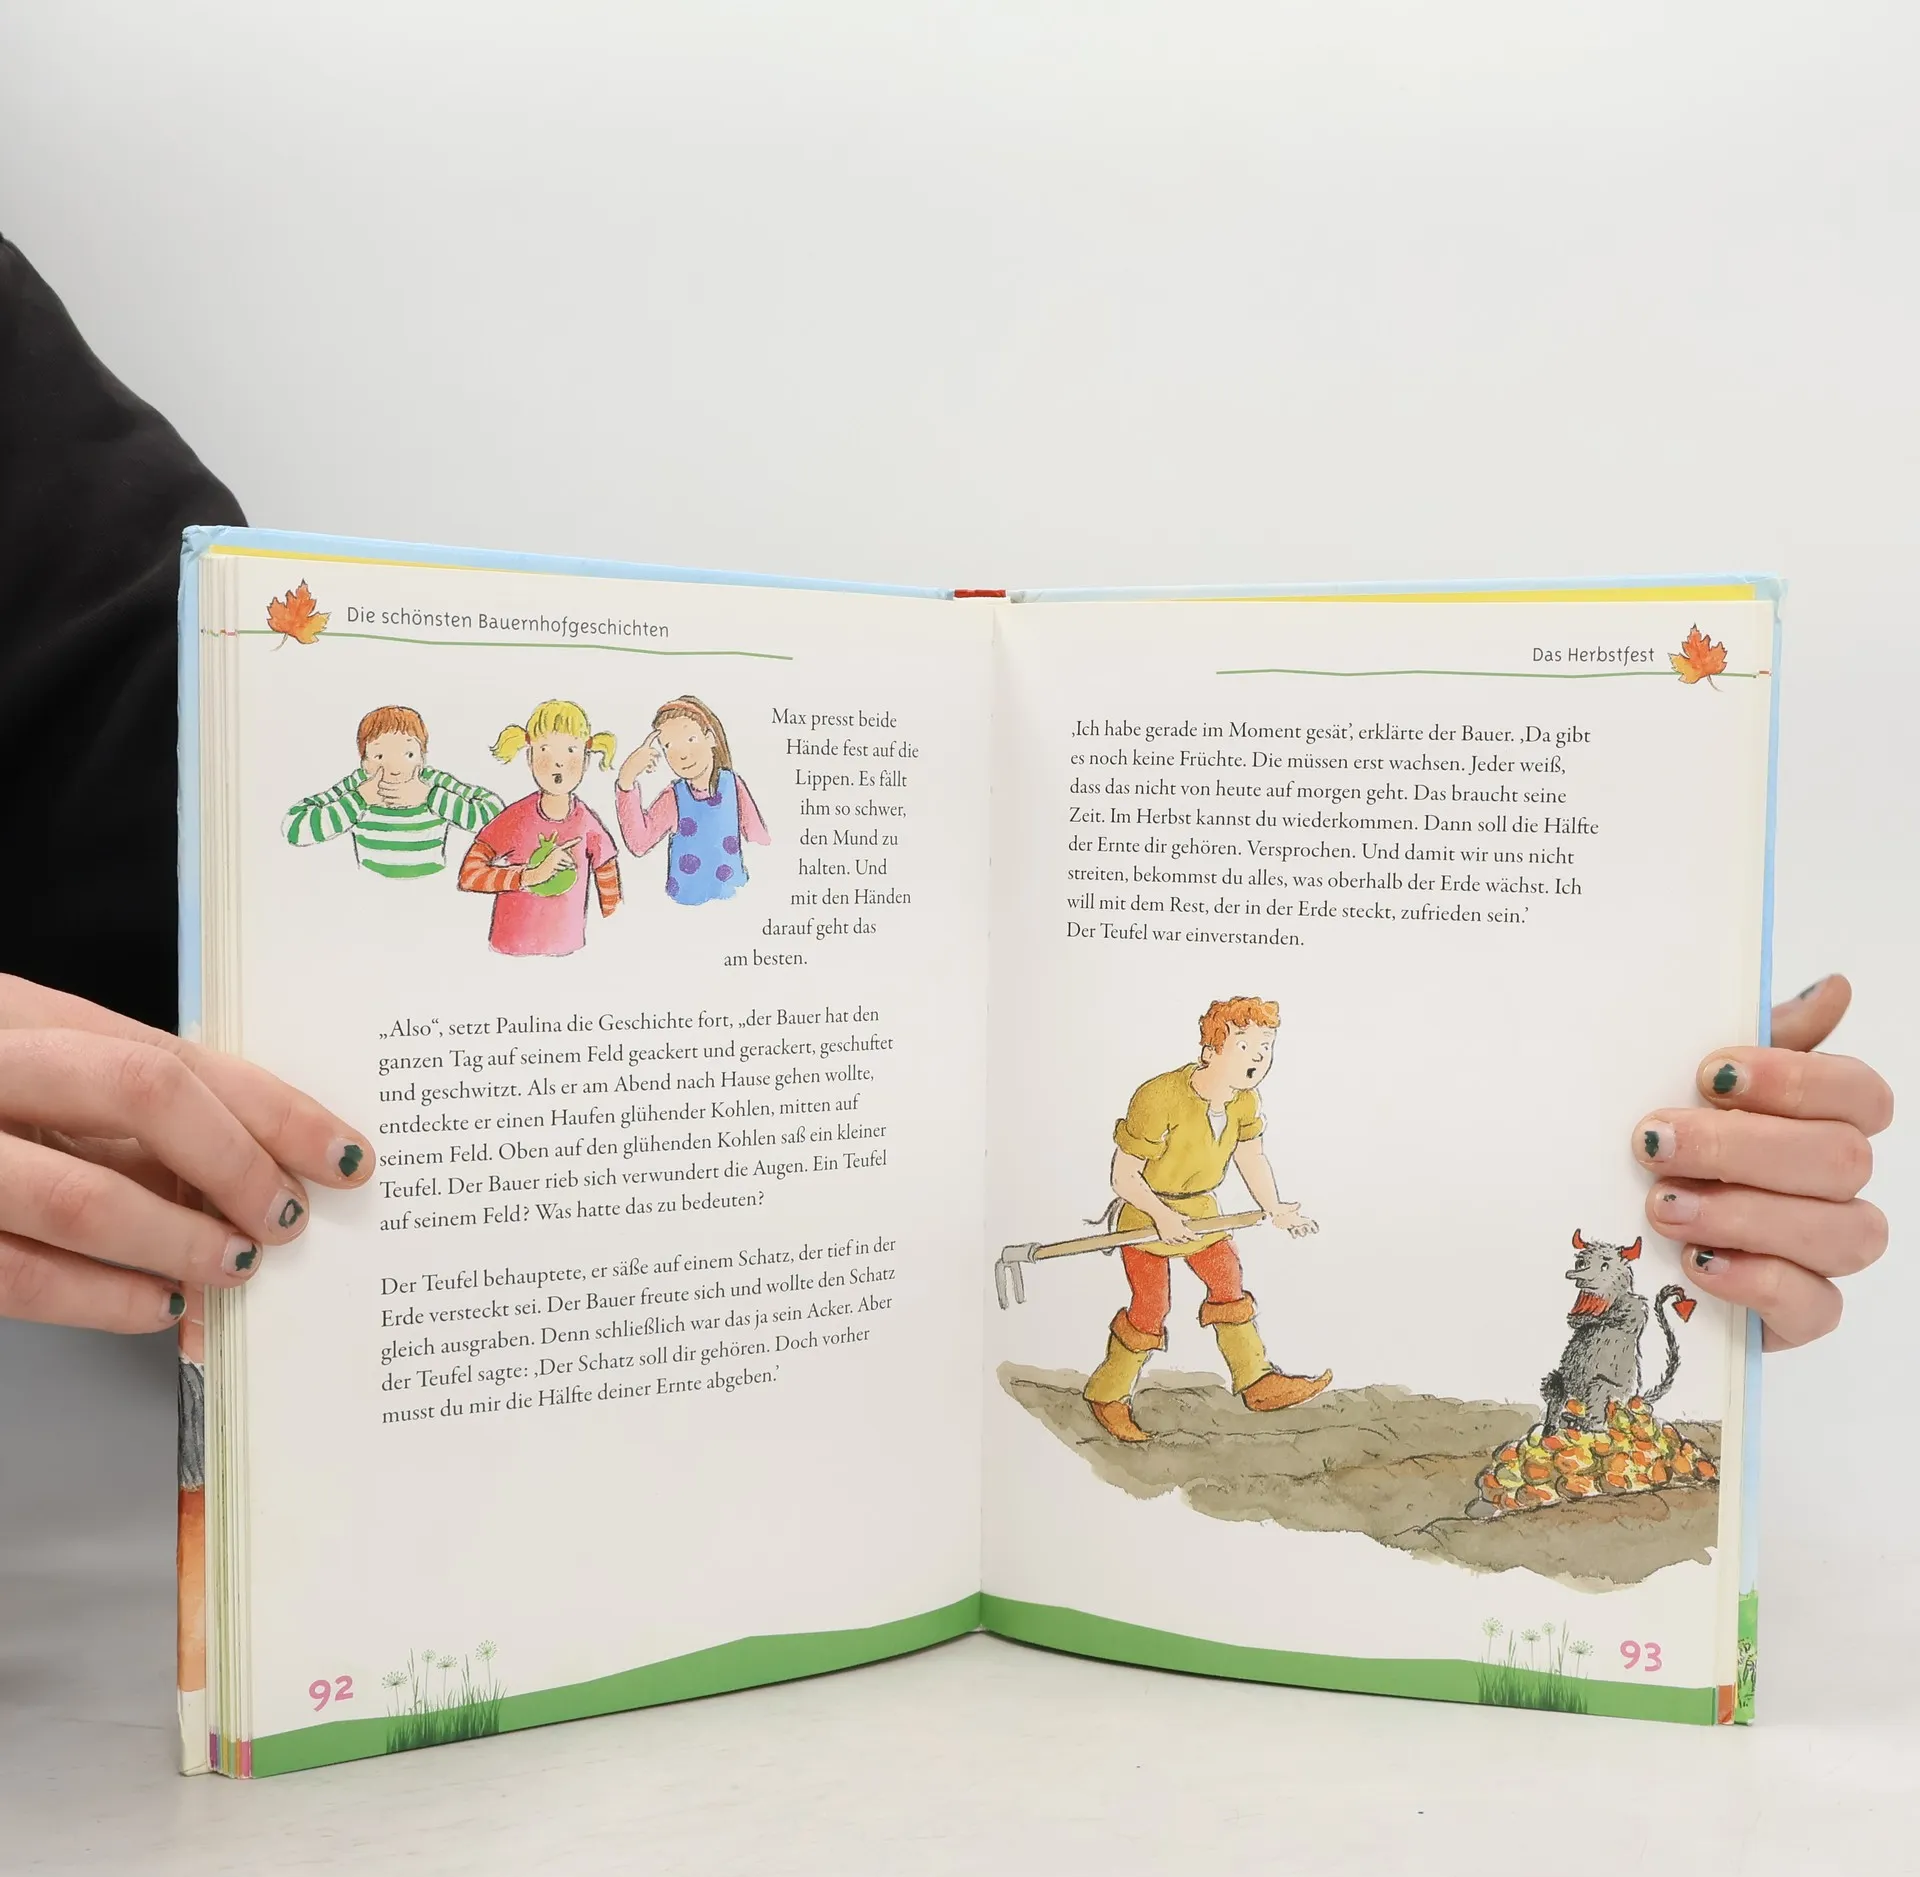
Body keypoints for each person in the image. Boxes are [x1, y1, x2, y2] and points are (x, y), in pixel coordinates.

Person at [0, 231, 1895, 1352]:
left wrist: (1610, 1131)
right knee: (1155, 1310)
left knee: (1207, 1299)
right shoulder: (1170, 1100)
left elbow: (217, 958)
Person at [1086, 997, 1329, 1443]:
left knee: (1227, 1279)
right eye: (1244, 1046)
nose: (1257, 1058)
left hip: (1201, 1212)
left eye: (1266, 1047)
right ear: (1210, 1050)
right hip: (1146, 1213)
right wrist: (1162, 1216)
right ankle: (1108, 1395)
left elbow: (1250, 1157)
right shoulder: (1158, 1097)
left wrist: (1274, 1206)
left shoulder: (1244, 1101)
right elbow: (1124, 1176)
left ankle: (1256, 1381)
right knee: (1151, 1306)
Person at [457, 700, 622, 956]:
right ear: (529, 757)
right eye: (545, 749)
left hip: (569, 954)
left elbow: (611, 897)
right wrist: (529, 876)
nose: (558, 762)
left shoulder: (588, 824)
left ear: (586, 760)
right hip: (509, 951)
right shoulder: (515, 819)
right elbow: (469, 876)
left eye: (571, 750)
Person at [285, 704, 504, 878]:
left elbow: (497, 818)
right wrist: (359, 799)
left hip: (433, 889)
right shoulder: (359, 784)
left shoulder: (432, 782)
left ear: (422, 758)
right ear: (365, 762)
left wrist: (430, 796)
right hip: (367, 890)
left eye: (408, 754)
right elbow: (295, 828)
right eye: (379, 756)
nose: (395, 769)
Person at [614, 694, 769, 904]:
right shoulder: (674, 797)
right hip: (684, 905)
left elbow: (759, 839)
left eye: (690, 739)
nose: (683, 755)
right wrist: (626, 781)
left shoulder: (732, 785)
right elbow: (639, 843)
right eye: (669, 746)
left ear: (710, 738)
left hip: (735, 899)